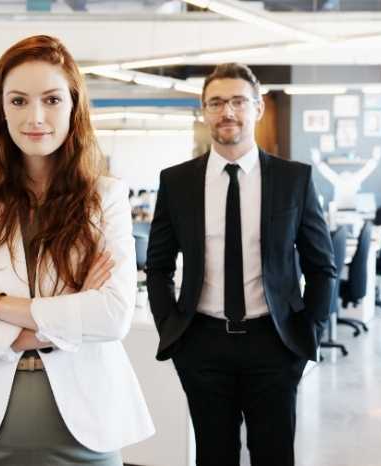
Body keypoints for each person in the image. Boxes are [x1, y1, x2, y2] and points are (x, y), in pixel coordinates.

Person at [0, 35, 154, 465]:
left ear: (73, 104)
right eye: (18, 101)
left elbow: (112, 316)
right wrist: (64, 321)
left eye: (51, 99)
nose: (36, 117)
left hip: (86, 426)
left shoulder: (105, 199)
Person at [146, 63, 335, 466]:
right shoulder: (176, 182)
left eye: (237, 102)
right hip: (203, 344)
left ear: (258, 108)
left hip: (274, 343)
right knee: (213, 456)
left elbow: (322, 268)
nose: (227, 112)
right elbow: (158, 265)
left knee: (274, 455)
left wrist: (307, 335)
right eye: (216, 102)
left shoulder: (293, 180)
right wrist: (173, 332)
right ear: (204, 110)